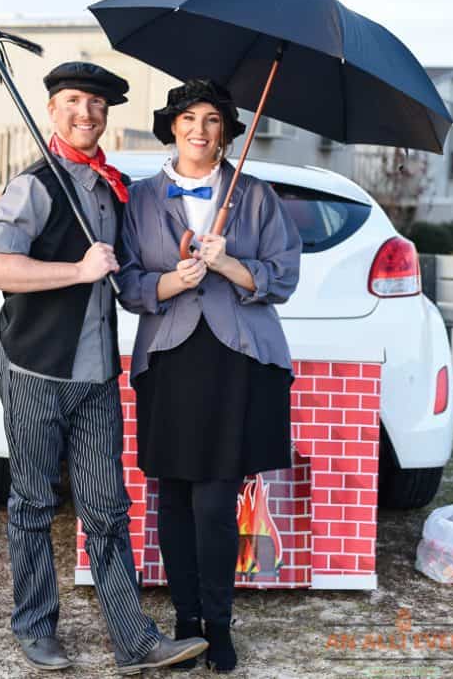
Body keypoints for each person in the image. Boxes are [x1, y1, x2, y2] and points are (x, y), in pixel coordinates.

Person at [0, 62, 207, 674]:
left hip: (98, 377)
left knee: (107, 507)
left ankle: (134, 642)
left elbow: (125, 283)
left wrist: (175, 277)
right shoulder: (36, 186)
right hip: (35, 372)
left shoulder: (110, 187)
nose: (87, 113)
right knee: (31, 503)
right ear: (53, 110)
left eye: (98, 104)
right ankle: (35, 626)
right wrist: (76, 271)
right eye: (74, 101)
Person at [118, 79, 302, 673]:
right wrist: (174, 281)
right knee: (172, 494)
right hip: (169, 359)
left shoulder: (254, 195)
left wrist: (228, 264)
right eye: (188, 118)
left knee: (218, 501)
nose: (200, 130)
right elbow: (126, 281)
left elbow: (283, 274)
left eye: (213, 120)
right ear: (171, 126)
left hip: (234, 360)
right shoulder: (141, 198)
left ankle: (219, 624)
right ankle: (184, 620)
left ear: (227, 130)